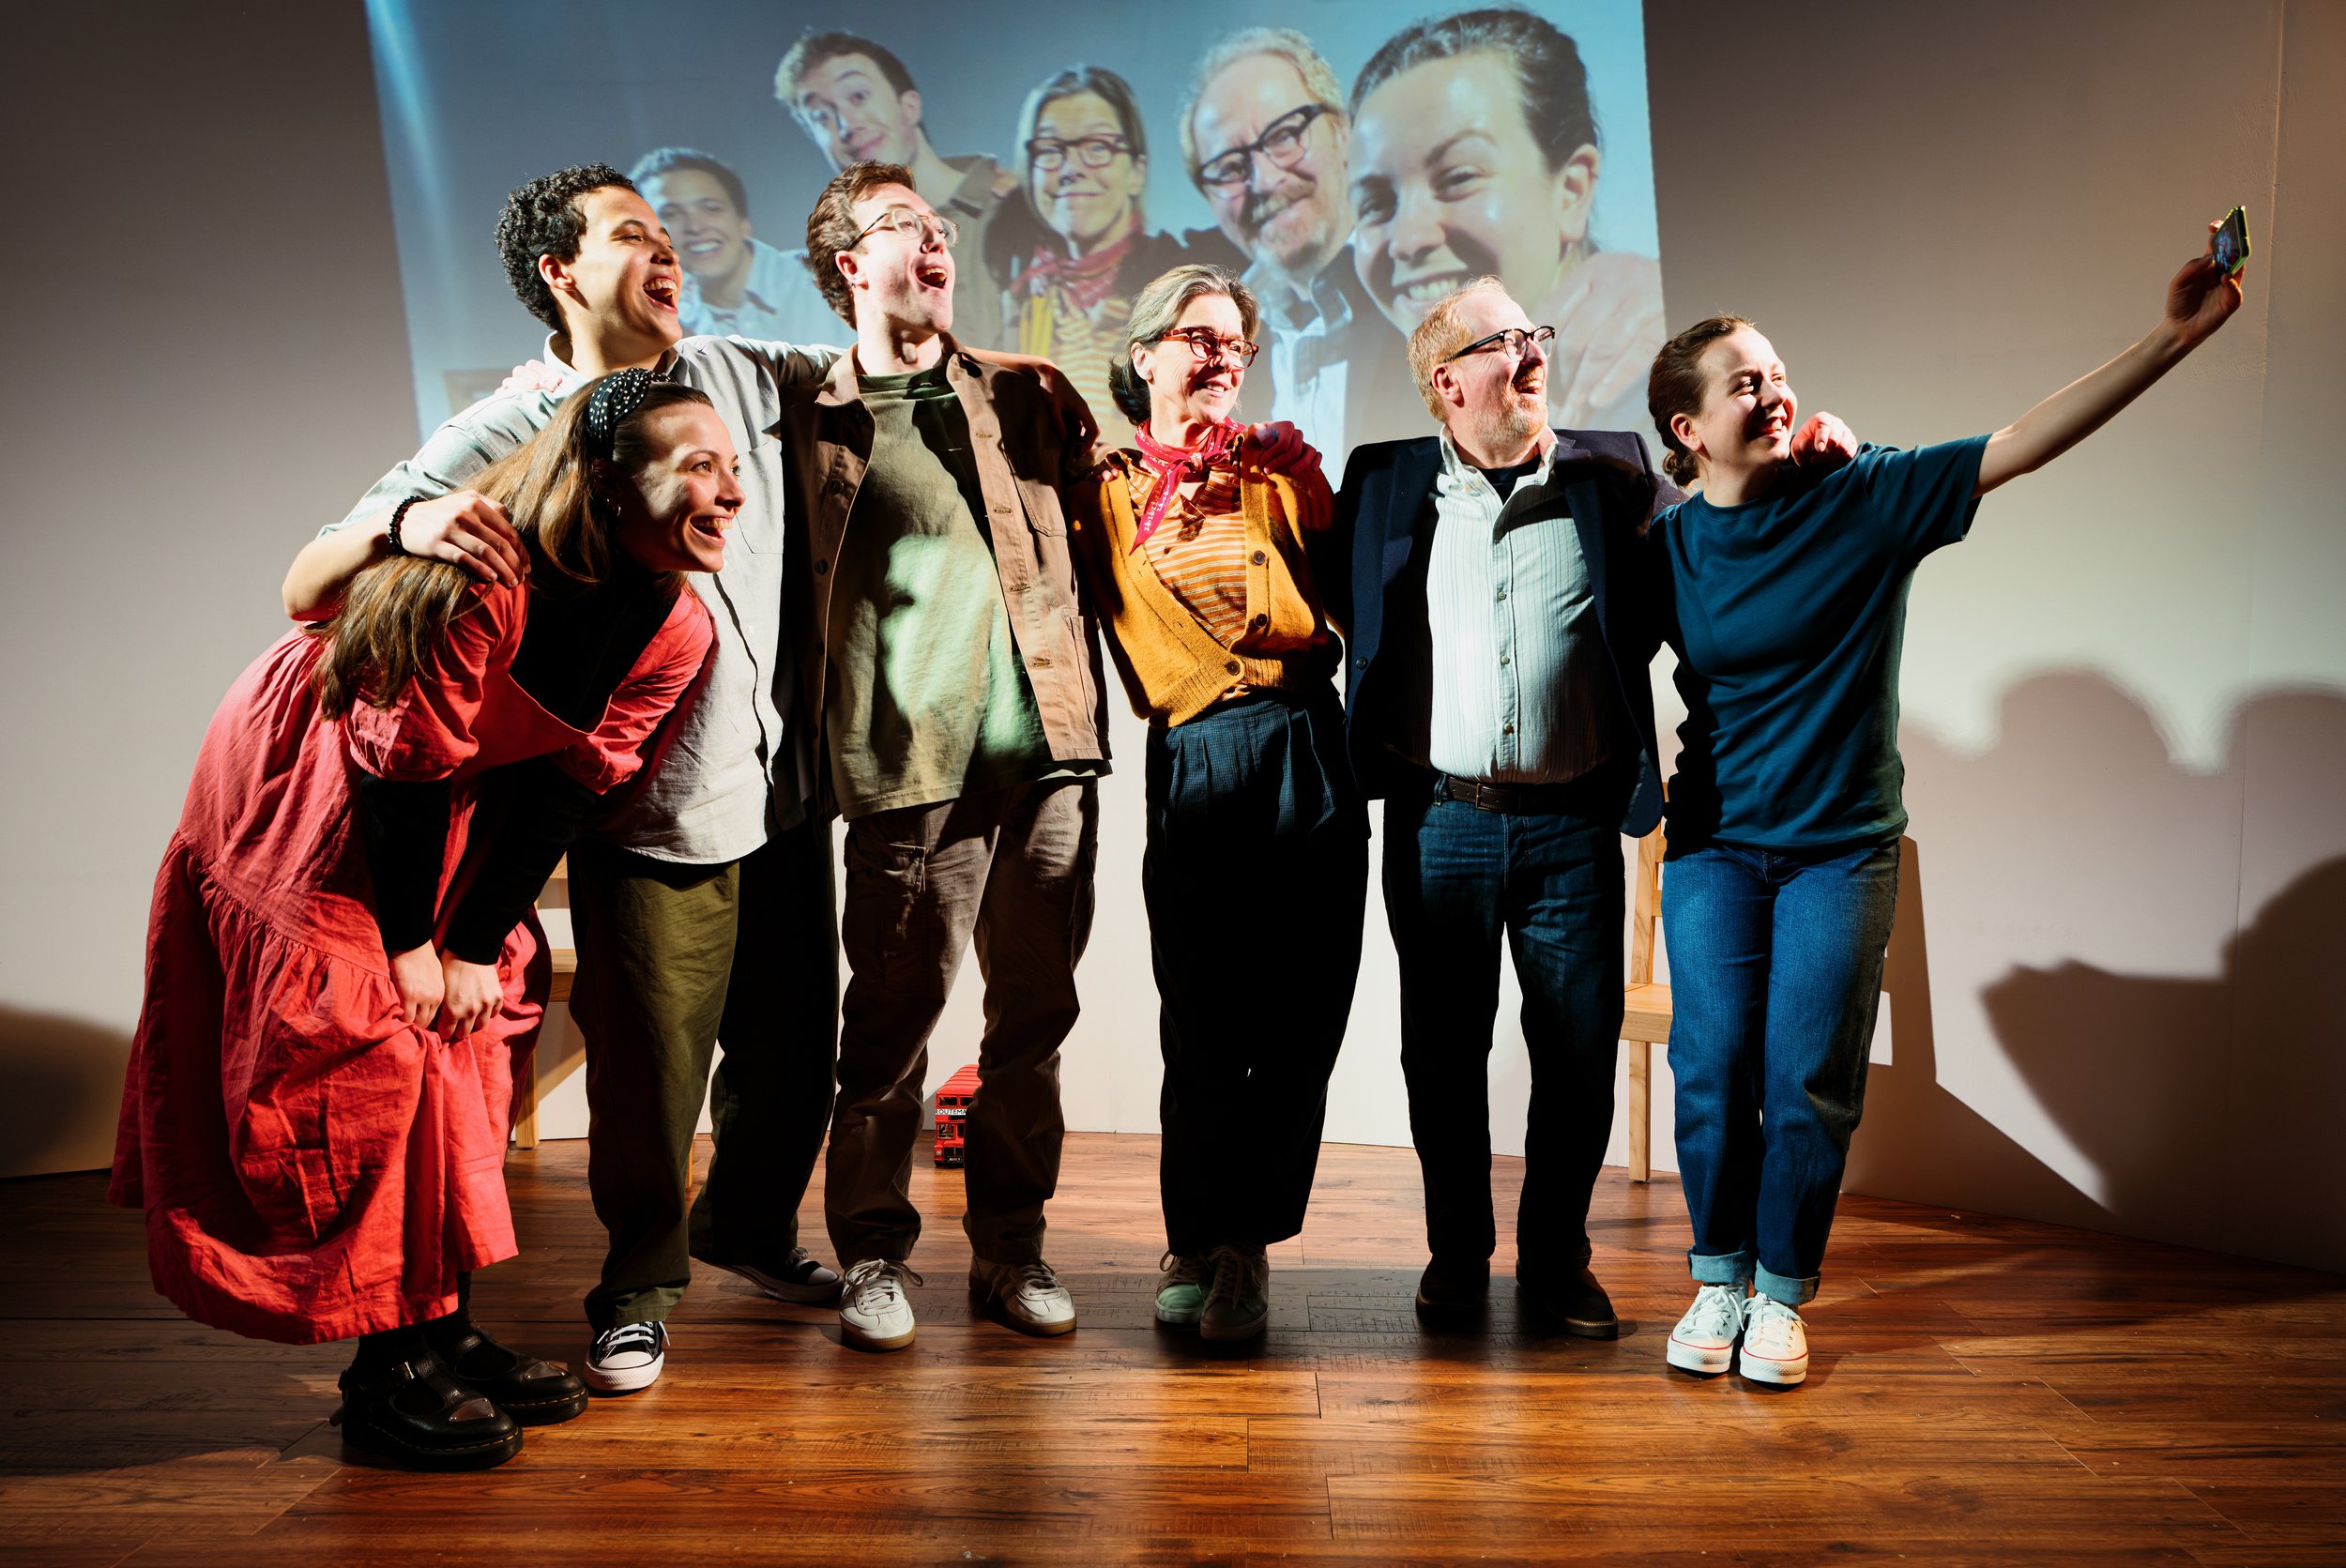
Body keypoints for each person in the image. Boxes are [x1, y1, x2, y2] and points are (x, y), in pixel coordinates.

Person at [281, 163, 848, 1397]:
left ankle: (744, 1229)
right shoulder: (509, 425)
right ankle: (634, 1293)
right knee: (647, 1061)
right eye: (632, 233)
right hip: (642, 800)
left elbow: (875, 363)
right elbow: (313, 584)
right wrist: (401, 528)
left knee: (797, 1048)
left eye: (670, 234)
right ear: (558, 270)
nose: (669, 250)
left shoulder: (737, 366)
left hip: (783, 777)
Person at [1644, 231, 2244, 1388]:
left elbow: (2022, 443)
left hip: (1836, 852)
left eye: (1777, 373)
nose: (1772, 393)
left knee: (1808, 1082)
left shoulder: (1865, 497)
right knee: (1713, 1072)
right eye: (1743, 384)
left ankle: (1778, 1295)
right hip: (1714, 847)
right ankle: (1715, 1276)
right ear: (1687, 430)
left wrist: (2172, 338)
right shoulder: (1665, 550)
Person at [111, 369, 729, 1469]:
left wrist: (476, 945)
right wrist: (410, 949)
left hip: (451, 802)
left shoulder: (674, 628)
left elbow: (567, 787)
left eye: (732, 470)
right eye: (696, 467)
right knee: (365, 1054)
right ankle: (384, 1371)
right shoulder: (481, 577)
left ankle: (440, 1327)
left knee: (468, 1043)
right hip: (315, 783)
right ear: (605, 482)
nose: (727, 493)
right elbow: (394, 765)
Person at [1334, 276, 1855, 1335]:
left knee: (1577, 1052)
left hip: (1573, 825)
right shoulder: (1382, 482)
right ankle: (1455, 1255)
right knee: (1442, 1053)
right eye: (1503, 341)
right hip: (1439, 823)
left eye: (1537, 333)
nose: (1532, 352)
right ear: (1447, 380)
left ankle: (1557, 1262)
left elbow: (1725, 517)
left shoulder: (1613, 473)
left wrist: (1803, 462)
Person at [783, 160, 1107, 1354]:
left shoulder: (1028, 396)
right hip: (910, 763)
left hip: (1049, 756)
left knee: (1034, 1016)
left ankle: (1011, 1251)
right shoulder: (809, 418)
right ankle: (873, 1250)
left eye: (936, 224)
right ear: (844, 267)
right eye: (896, 227)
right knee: (891, 1021)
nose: (930, 242)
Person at [1072, 264, 1363, 1343]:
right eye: (1198, 335)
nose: (1221, 357)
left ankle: (1249, 1244)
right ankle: (1191, 1236)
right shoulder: (1097, 488)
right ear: (1144, 354)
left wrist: (1302, 483)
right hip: (1194, 753)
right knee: (1201, 1017)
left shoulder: (1276, 471)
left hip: (1304, 744)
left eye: (1236, 341)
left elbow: (1346, 594)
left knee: (1299, 1019)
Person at [1180, 26, 1655, 473]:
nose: (1263, 180)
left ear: (1343, 136)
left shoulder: (1616, 319)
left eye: (1285, 136)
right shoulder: (1226, 338)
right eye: (1226, 166)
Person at [1347, 8, 1665, 439]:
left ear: (1571, 190)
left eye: (1459, 176)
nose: (1407, 240)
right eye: (1374, 203)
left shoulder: (1658, 390)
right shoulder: (1374, 398)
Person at [1003, 66, 1229, 435]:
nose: (1070, 169)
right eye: (1050, 150)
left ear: (1137, 171)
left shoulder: (1185, 282)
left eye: (1096, 147)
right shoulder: (1013, 290)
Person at [776, 30, 1019, 349]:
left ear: (909, 106)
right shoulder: (801, 274)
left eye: (858, 96)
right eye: (822, 117)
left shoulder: (1023, 205)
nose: (847, 126)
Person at [631, 146, 838, 345]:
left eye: (712, 209)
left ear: (743, 222)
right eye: (670, 214)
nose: (695, 227)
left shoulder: (823, 278)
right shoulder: (669, 320)